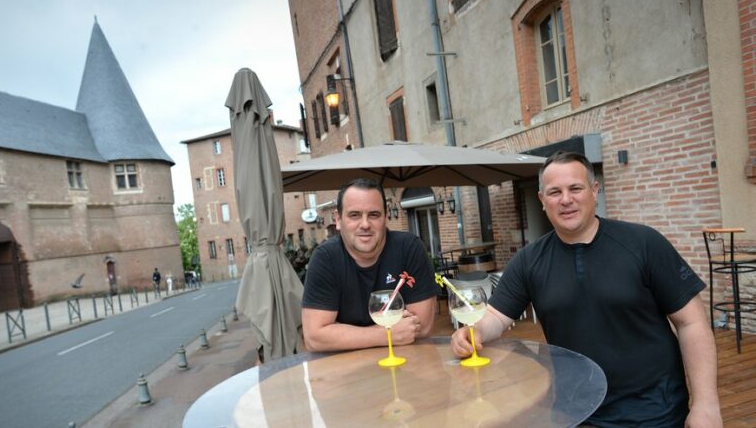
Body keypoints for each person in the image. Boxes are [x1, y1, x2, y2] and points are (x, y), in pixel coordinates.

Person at [451, 151, 722, 427]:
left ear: (594, 191)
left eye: (575, 188)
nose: (566, 199)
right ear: (542, 201)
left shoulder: (643, 243)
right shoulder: (529, 260)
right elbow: (497, 317)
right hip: (576, 412)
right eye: (554, 192)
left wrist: (706, 404)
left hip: (654, 411)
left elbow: (692, 322)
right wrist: (474, 332)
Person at [302, 178, 439, 352]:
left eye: (374, 215)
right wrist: (386, 334)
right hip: (346, 368)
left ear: (386, 216)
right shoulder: (326, 258)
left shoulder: (409, 248)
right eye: (354, 215)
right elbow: (315, 338)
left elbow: (422, 327)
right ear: (338, 219)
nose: (365, 224)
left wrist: (340, 334)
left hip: (405, 362)